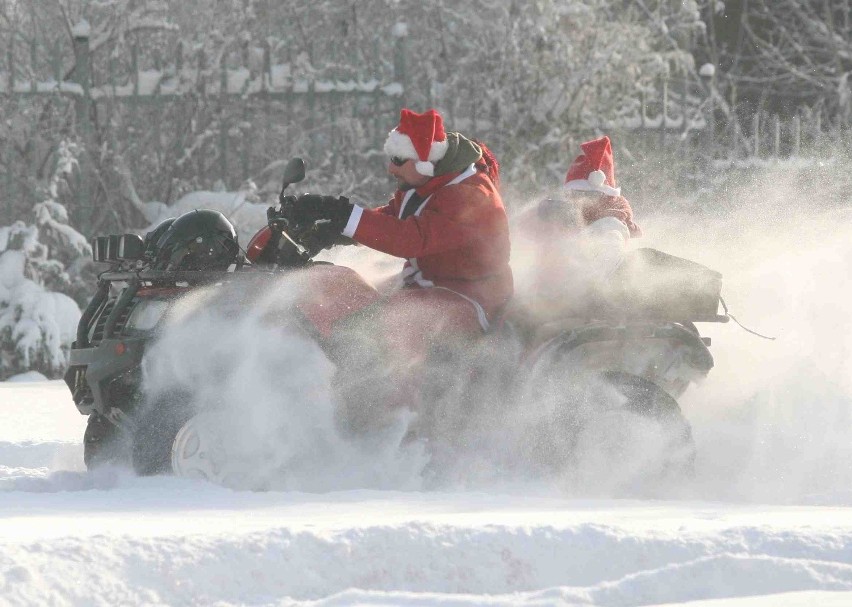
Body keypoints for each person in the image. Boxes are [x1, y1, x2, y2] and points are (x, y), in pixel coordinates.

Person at [289, 108, 513, 419]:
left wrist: (343, 214)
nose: (391, 169)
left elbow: (411, 238)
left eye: (398, 160)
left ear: (424, 160)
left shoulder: (471, 196)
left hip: (469, 298)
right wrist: (334, 230)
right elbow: (395, 217)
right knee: (345, 298)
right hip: (426, 285)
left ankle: (397, 418)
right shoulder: (429, 181)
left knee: (391, 322)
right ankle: (330, 383)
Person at [511, 135, 641, 327]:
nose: (575, 201)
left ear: (602, 197)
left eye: (581, 196)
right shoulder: (569, 220)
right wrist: (543, 216)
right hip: (556, 300)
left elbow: (600, 268)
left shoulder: (610, 225)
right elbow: (521, 236)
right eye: (571, 195)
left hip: (585, 311)